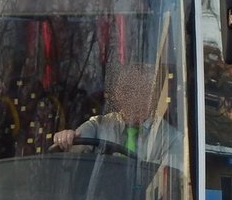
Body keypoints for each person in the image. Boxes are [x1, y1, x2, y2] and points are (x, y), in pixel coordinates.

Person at [51, 62, 182, 170]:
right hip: (99, 199)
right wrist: (66, 138)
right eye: (128, 91)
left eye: (142, 91)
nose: (135, 98)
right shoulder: (98, 124)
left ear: (152, 97)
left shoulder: (171, 139)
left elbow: (169, 181)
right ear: (119, 96)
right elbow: (75, 148)